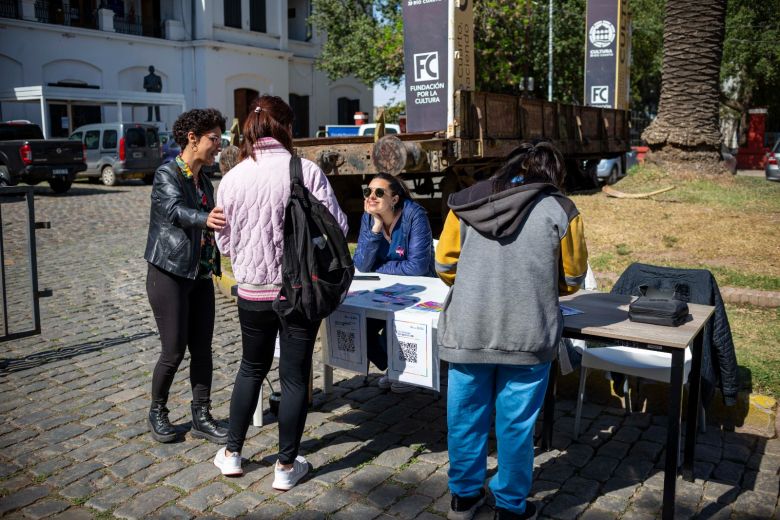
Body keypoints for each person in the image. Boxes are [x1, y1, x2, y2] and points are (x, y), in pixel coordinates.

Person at [434, 141, 588, 520]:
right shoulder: (562, 209)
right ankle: (511, 507)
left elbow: (444, 267)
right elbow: (572, 279)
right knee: (516, 426)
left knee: (464, 418)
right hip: (529, 333)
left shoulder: (465, 203)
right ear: (552, 174)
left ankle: (464, 498)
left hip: (468, 329)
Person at [212, 95, 348, 490]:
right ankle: (286, 467)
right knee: (293, 377)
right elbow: (336, 225)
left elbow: (223, 243)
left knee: (250, 368)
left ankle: (232, 453)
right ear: (286, 128)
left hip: (251, 291)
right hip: (298, 291)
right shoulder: (305, 170)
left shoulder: (233, 176)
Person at [144, 108, 227, 445]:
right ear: (193, 139)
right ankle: (157, 410)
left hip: (200, 273)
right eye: (214, 139)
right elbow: (173, 211)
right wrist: (205, 218)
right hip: (169, 272)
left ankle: (201, 414)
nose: (218, 145)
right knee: (174, 349)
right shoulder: (167, 174)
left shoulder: (205, 180)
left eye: (220, 139)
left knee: (203, 349)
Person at [352, 172, 436, 393]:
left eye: (379, 192)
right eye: (367, 191)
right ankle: (395, 365)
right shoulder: (369, 217)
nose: (371, 196)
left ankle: (407, 369)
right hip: (383, 289)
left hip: (420, 289)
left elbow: (417, 267)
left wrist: (378, 268)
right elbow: (361, 263)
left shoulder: (415, 215)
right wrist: (376, 226)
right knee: (358, 325)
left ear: (395, 199)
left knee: (397, 321)